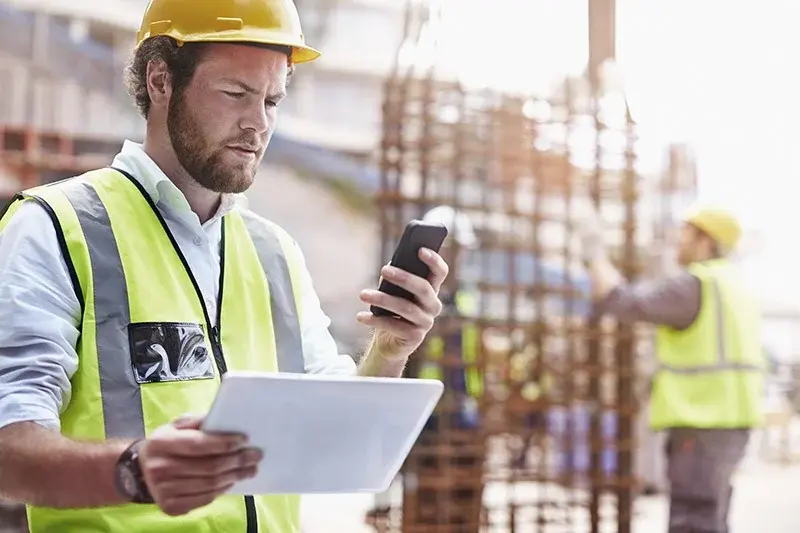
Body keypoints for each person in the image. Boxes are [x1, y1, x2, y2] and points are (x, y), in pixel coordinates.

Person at [0, 1, 449, 531]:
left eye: (273, 100)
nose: (258, 123)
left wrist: (389, 351)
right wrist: (132, 472)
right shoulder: (54, 227)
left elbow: (336, 432)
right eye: (236, 94)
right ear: (162, 80)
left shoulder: (274, 252)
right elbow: (9, 448)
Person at [576, 203, 764, 533]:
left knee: (692, 521)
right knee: (711, 516)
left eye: (686, 234)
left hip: (701, 421)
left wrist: (594, 253)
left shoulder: (696, 285)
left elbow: (623, 301)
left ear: (706, 241)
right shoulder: (736, 286)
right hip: (733, 423)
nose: (679, 241)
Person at [365, 205, 484, 528]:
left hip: (460, 407)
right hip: (421, 408)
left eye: (459, 251)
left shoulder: (468, 296)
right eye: (451, 251)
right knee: (420, 491)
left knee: (462, 489)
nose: (455, 259)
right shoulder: (409, 296)